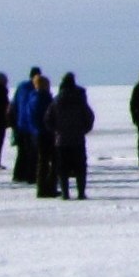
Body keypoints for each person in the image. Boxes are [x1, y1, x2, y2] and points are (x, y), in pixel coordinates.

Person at [48, 72, 95, 200]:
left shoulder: (56, 100)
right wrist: (83, 130)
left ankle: (65, 193)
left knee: (62, 168)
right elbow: (89, 116)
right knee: (80, 167)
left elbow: (48, 119)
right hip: (78, 139)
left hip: (61, 140)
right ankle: (81, 193)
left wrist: (56, 131)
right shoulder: (80, 99)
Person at [12, 67, 47, 186]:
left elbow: (15, 104)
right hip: (31, 125)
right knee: (33, 152)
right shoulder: (35, 89)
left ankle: (18, 174)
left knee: (22, 151)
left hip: (20, 123)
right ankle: (31, 175)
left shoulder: (21, 87)